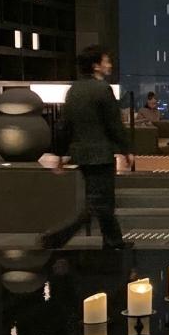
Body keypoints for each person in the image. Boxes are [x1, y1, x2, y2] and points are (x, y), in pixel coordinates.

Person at [41, 46, 134, 251]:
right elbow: (113, 124)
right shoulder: (102, 89)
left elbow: (65, 124)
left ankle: (113, 242)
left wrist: (59, 154)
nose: (109, 65)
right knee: (99, 203)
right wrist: (126, 149)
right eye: (106, 61)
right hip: (100, 154)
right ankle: (57, 237)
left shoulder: (74, 90)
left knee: (101, 202)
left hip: (81, 154)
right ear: (96, 66)